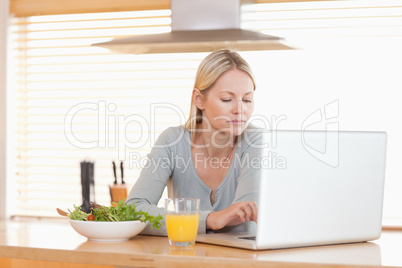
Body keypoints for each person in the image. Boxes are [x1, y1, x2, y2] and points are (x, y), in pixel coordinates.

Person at [126, 49, 264, 235]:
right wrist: (209, 219)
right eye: (227, 99)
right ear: (199, 99)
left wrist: (186, 220)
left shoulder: (255, 141)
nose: (240, 110)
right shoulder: (172, 142)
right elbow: (134, 210)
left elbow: (245, 214)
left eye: (247, 99)